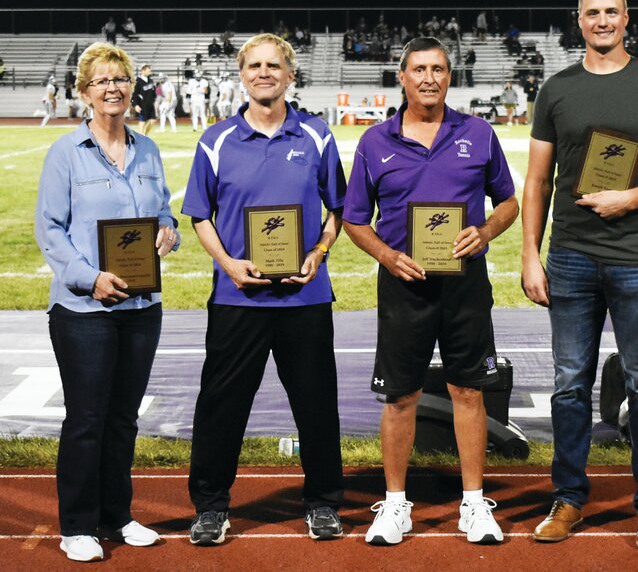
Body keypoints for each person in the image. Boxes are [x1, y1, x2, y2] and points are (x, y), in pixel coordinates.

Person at [521, 0, 638, 549]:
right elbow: (538, 180)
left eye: (611, 12)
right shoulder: (557, 89)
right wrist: (530, 254)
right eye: (592, 12)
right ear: (579, 20)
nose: (601, 21)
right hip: (570, 255)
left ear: (627, 18)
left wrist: (630, 198)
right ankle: (568, 498)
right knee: (569, 384)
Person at [343, 37, 518, 546]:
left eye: (438, 69)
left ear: (449, 76)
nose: (429, 78)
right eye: (419, 69)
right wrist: (386, 254)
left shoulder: (479, 133)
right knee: (400, 397)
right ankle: (396, 505)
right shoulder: (376, 141)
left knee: (469, 390)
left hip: (465, 285)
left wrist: (484, 232)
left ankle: (473, 503)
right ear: (402, 76)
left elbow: (508, 203)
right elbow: (355, 219)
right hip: (404, 285)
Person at [182, 33, 347, 547]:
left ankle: (322, 503)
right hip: (237, 297)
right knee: (221, 405)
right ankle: (211, 507)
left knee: (317, 404)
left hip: (306, 297)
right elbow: (198, 216)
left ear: (290, 74)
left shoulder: (317, 135)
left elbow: (338, 209)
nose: (263, 73)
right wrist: (229, 263)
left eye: (273, 65)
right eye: (253, 65)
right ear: (242, 74)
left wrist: (318, 253)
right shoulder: (215, 140)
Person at [34, 42, 180, 563]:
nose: (112, 88)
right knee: (87, 418)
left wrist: (169, 230)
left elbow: (164, 212)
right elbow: (49, 230)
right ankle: (77, 524)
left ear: (131, 85)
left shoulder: (148, 149)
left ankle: (117, 514)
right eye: (101, 81)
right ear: (85, 92)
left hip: (142, 307)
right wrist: (89, 278)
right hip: (84, 311)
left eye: (120, 78)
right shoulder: (65, 152)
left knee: (123, 419)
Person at [132, 64, 157, 136]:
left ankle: (145, 135)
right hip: (142, 104)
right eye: (148, 70)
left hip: (150, 104)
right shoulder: (137, 81)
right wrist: (136, 105)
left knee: (152, 121)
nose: (150, 72)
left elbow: (153, 92)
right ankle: (141, 135)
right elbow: (134, 94)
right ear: (143, 70)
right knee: (142, 121)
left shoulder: (150, 81)